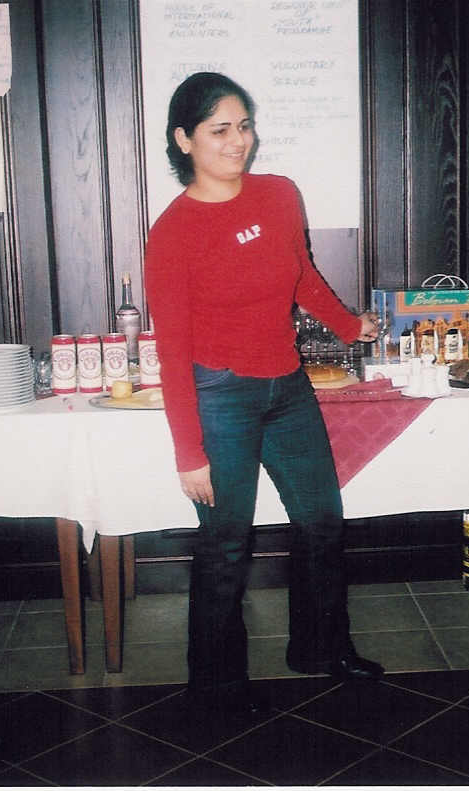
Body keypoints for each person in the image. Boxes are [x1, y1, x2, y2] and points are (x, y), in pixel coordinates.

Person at [143, 72, 384, 715]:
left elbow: (301, 274)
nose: (237, 141)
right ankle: (216, 687)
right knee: (226, 543)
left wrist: (349, 326)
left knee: (321, 522)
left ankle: (321, 649)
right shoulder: (173, 232)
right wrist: (188, 452)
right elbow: (172, 351)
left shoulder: (279, 194)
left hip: (287, 387)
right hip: (219, 394)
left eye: (244, 126)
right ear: (184, 140)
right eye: (219, 130)